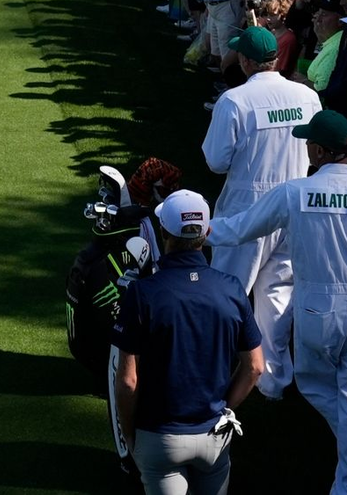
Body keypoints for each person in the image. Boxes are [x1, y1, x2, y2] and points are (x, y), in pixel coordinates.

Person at [208, 110, 347, 495]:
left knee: (316, 386)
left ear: (319, 150)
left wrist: (197, 227)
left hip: (317, 310)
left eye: (307, 143)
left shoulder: (294, 193)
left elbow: (241, 228)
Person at [112, 189, 262, 495]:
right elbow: (256, 368)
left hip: (159, 437)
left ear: (163, 232)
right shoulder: (232, 290)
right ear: (206, 232)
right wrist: (221, 410)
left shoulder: (142, 294)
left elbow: (127, 381)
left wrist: (129, 435)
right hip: (214, 437)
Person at [201, 25, 321, 400]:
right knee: (278, 295)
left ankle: (211, 373)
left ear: (248, 61)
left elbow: (216, 161)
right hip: (294, 206)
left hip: (247, 209)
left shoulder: (235, 100)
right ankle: (272, 381)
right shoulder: (306, 95)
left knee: (227, 291)